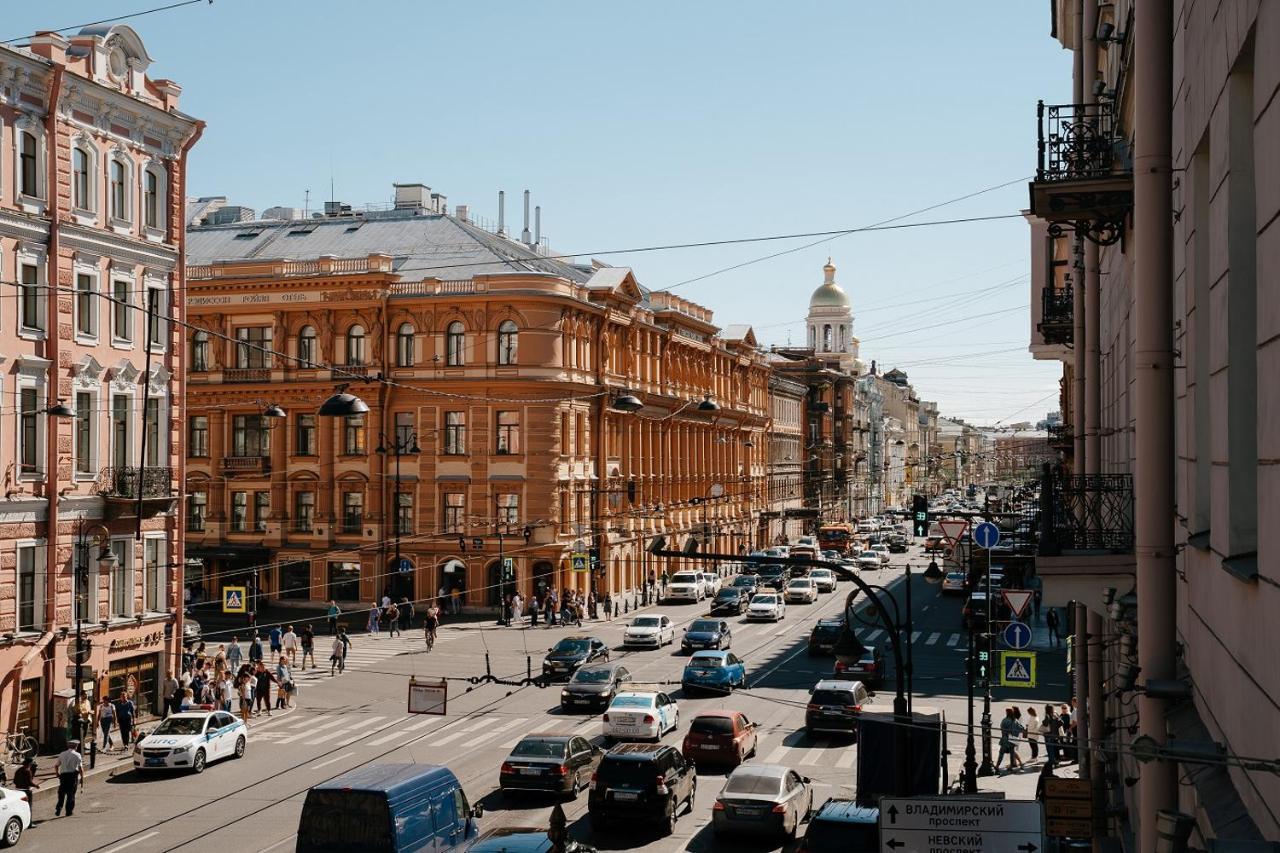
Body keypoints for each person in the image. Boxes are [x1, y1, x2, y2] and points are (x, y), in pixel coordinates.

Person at [54, 740, 84, 817]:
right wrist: (82, 780)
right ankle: (69, 811)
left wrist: (57, 774)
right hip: (72, 777)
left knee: (61, 793)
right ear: (76, 746)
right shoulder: (77, 755)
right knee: (71, 795)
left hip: (63, 776)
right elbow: (80, 768)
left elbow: (56, 765)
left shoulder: (62, 754)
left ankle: (59, 807)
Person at [995, 707, 1025, 773]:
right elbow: (1021, 728)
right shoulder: (1015, 720)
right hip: (1012, 739)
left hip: (1005, 739)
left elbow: (1002, 728)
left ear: (1007, 713)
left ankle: (997, 766)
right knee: (1012, 753)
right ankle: (1011, 766)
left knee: (1001, 753)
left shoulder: (1004, 720)